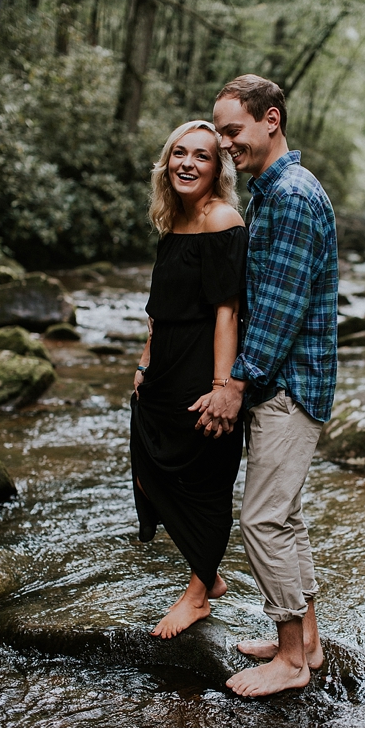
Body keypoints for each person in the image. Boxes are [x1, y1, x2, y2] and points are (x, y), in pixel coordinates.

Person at [193, 74, 338, 697]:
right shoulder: (275, 189)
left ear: (270, 120)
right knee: (289, 517)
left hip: (289, 385)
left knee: (262, 522)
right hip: (287, 383)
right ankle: (306, 638)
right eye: (220, 132)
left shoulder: (292, 196)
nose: (226, 144)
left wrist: (236, 383)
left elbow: (279, 308)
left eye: (233, 130)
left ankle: (289, 662)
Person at [130, 120, 248, 640]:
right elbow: (159, 310)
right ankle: (212, 573)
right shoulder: (170, 219)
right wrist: (143, 362)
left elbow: (227, 311)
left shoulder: (222, 218)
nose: (187, 163)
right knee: (146, 473)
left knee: (203, 482)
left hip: (204, 366)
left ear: (217, 167)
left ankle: (197, 594)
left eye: (201, 156)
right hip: (162, 371)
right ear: (166, 161)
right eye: (179, 153)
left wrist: (224, 387)